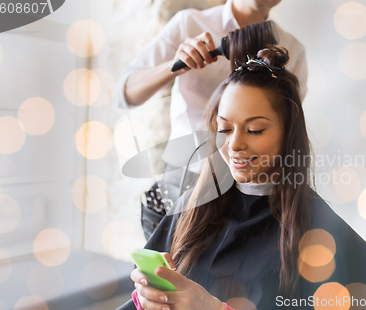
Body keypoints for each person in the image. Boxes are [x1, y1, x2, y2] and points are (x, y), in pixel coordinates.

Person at [118, 46, 366, 310]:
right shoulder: (191, 209)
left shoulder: (318, 230)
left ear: (288, 135)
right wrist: (149, 299)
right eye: (225, 129)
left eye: (254, 130)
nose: (234, 145)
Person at [116, 0, 308, 239]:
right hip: (183, 179)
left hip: (244, 194)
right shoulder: (191, 24)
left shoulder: (292, 50)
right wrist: (174, 66)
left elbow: (287, 131)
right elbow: (124, 93)